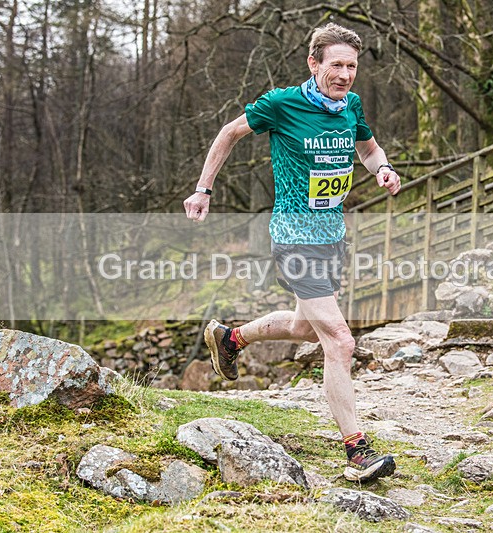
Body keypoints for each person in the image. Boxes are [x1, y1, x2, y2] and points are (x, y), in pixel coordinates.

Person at [183, 23, 401, 483]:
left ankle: (231, 338)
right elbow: (229, 132)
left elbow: (367, 147)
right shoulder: (282, 104)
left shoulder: (351, 106)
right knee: (339, 341)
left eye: (351, 66)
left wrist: (382, 168)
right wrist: (203, 190)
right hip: (293, 237)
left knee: (307, 328)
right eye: (336, 65)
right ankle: (357, 451)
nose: (344, 75)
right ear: (314, 63)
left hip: (331, 236)